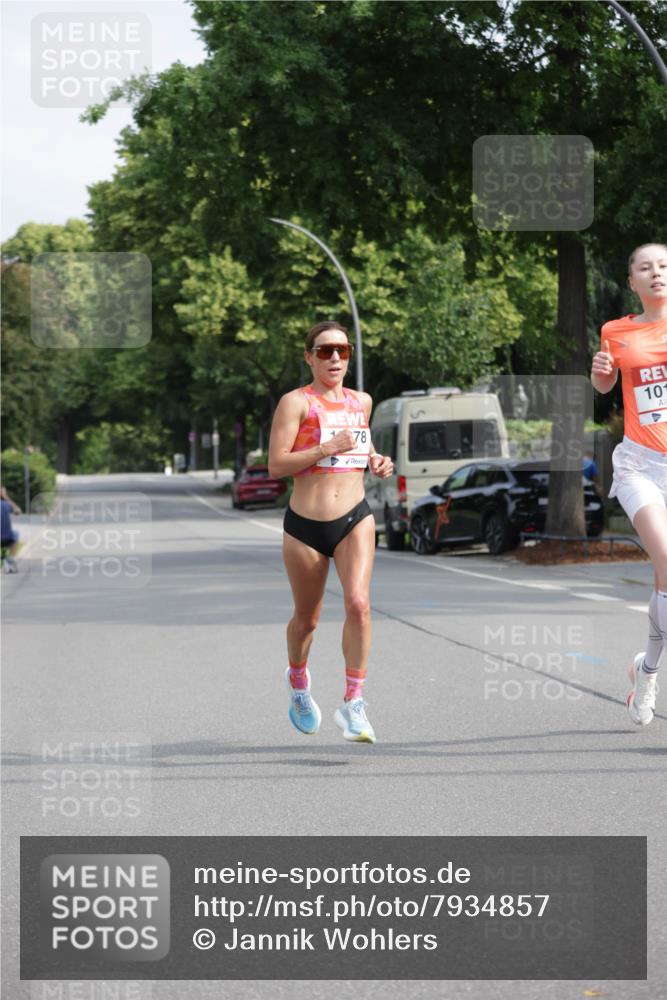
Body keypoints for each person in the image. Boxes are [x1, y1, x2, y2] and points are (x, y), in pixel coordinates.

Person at [268, 321, 393, 743]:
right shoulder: (295, 403)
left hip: (354, 517)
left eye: (342, 350)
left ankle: (354, 703)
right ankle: (299, 681)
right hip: (305, 527)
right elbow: (276, 465)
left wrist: (377, 461)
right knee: (308, 619)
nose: (334, 358)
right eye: (324, 351)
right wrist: (325, 448)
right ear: (309, 357)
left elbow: (361, 447)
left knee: (359, 604)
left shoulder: (362, 402)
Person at [591, 242, 667, 726]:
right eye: (647, 267)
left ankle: (647, 672)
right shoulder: (616, 331)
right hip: (640, 464)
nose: (657, 273)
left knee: (664, 581)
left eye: (664, 266)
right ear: (632, 281)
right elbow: (604, 386)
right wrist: (599, 374)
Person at [1, 486, 22, 573]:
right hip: (8, 538)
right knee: (16, 534)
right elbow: (18, 511)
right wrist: (6, 497)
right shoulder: (5, 505)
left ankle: (7, 561)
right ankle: (12, 558)